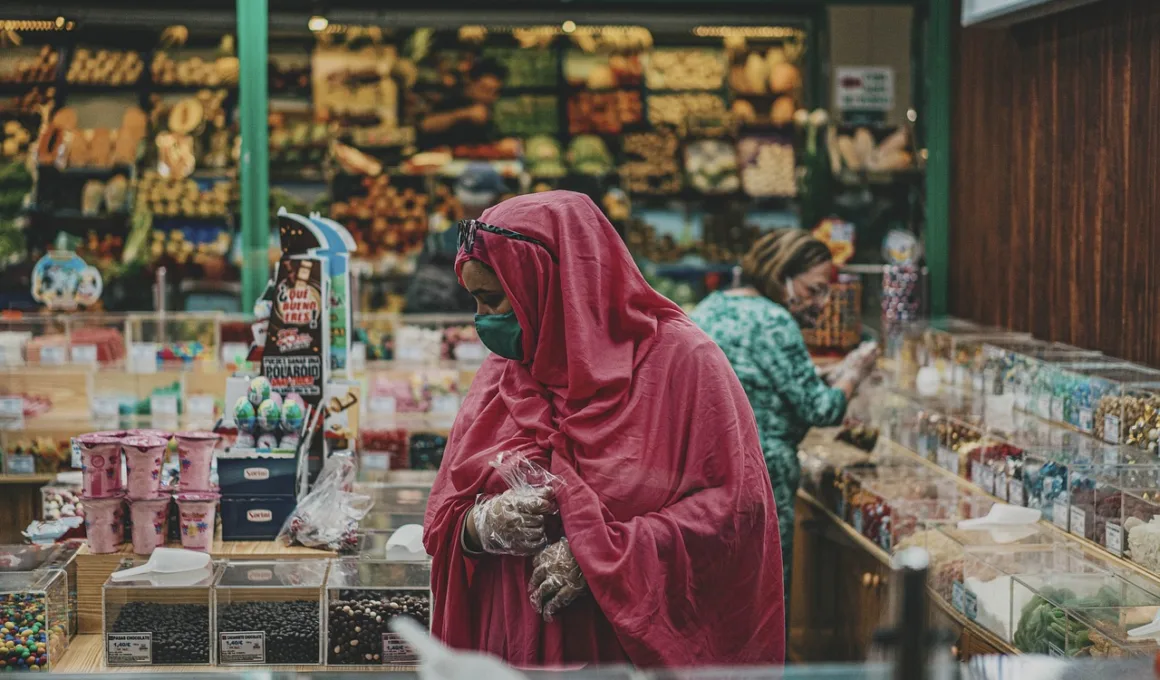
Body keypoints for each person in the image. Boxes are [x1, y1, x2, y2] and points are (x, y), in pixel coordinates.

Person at [424, 191, 785, 668]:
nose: (484, 321)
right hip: (513, 647)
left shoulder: (683, 363)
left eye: (496, 300)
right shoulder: (505, 370)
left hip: (624, 650)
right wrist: (481, 526)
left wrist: (601, 555)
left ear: (554, 285)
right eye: (476, 301)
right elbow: (446, 513)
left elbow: (734, 509)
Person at [690, 229, 878, 608]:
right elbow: (820, 409)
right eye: (814, 290)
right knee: (764, 596)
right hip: (764, 477)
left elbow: (758, 377)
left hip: (706, 474)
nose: (822, 303)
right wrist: (853, 373)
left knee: (717, 596)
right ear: (782, 276)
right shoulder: (775, 320)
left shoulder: (710, 307)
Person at [418, 58, 508, 149]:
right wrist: (464, 114)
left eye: (494, 92)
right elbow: (425, 125)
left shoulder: (488, 108)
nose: (488, 96)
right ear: (470, 83)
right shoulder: (451, 97)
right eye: (484, 89)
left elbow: (489, 140)